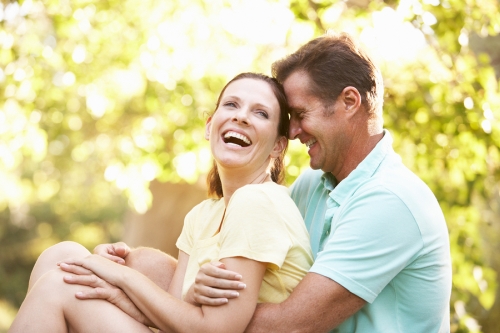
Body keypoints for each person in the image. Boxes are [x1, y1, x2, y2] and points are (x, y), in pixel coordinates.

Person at [188, 32, 453, 332]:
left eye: (300, 114)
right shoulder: (310, 185)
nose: (292, 132)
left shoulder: (392, 199)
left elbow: (290, 326)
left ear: (349, 102)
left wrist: (190, 310)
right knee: (141, 266)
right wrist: (196, 288)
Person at [9, 72, 313, 333]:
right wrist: (120, 288)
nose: (241, 115)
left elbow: (214, 329)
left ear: (278, 146)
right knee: (61, 256)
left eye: (260, 113)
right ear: (210, 126)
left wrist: (121, 276)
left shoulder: (258, 202)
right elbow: (175, 314)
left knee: (56, 287)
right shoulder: (203, 214)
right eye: (231, 104)